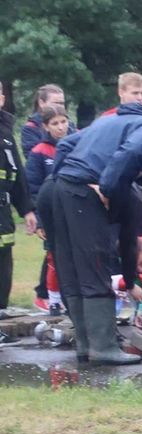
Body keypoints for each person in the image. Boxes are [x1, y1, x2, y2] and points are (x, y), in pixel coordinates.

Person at [47, 93, 142, 364]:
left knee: (72, 267)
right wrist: (107, 189)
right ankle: (104, 347)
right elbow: (130, 152)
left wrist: (56, 180)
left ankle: (85, 345)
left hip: (59, 190)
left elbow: (64, 146)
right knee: (95, 266)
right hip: (84, 192)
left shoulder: (105, 121)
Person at [26, 105, 72, 315]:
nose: (61, 127)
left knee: (75, 255)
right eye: (55, 124)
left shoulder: (77, 144)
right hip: (51, 212)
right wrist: (39, 219)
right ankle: (52, 299)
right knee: (54, 256)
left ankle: (71, 296)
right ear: (45, 126)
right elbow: (33, 188)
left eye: (63, 122)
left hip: (74, 210)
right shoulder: (39, 152)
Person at [1, 78, 38, 325]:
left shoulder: (5, 131)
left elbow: (17, 173)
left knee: (4, 263)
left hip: (2, 211)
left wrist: (26, 209)